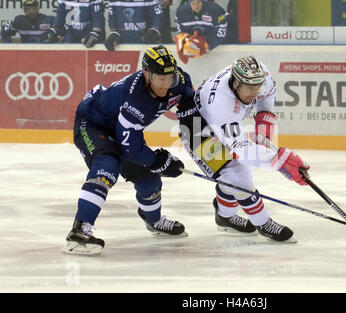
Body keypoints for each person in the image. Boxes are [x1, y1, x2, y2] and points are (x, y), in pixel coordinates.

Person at [64, 45, 194, 255]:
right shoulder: (135, 99)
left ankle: (155, 221)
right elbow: (131, 147)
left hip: (123, 128)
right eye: (160, 78)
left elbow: (189, 106)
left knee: (149, 179)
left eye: (169, 77)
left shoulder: (180, 81)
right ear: (147, 75)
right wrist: (160, 161)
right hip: (93, 123)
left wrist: (194, 138)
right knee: (108, 164)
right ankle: (80, 229)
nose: (166, 84)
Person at [177, 56, 310, 243]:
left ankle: (224, 217)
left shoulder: (260, 77)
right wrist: (281, 160)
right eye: (250, 88)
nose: (255, 93)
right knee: (237, 174)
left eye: (258, 87)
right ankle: (263, 223)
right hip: (196, 129)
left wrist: (263, 129)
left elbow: (267, 97)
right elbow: (242, 151)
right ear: (236, 84)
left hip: (216, 121)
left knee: (231, 178)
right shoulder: (220, 105)